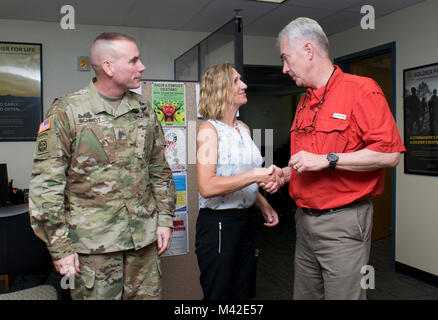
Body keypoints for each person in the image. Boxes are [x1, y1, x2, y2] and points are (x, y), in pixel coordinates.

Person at [29, 32, 176, 300]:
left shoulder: (144, 109)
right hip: (92, 250)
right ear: (108, 67)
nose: (142, 67)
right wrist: (60, 247)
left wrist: (165, 219)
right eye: (134, 60)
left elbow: (159, 170)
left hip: (142, 244)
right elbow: (46, 187)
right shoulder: (67, 111)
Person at [266, 17, 406, 300]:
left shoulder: (361, 90)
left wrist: (329, 159)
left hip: (342, 223)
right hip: (304, 221)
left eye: (286, 58)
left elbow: (390, 154)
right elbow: (308, 161)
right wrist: (287, 174)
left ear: (308, 50)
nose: (284, 69)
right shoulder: (305, 101)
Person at [195, 63, 280, 300]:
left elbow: (241, 179)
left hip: (244, 221)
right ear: (220, 89)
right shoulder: (208, 130)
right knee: (220, 295)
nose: (244, 85)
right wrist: (256, 175)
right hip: (219, 224)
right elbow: (207, 186)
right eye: (236, 81)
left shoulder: (244, 128)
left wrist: (262, 203)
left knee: (244, 292)